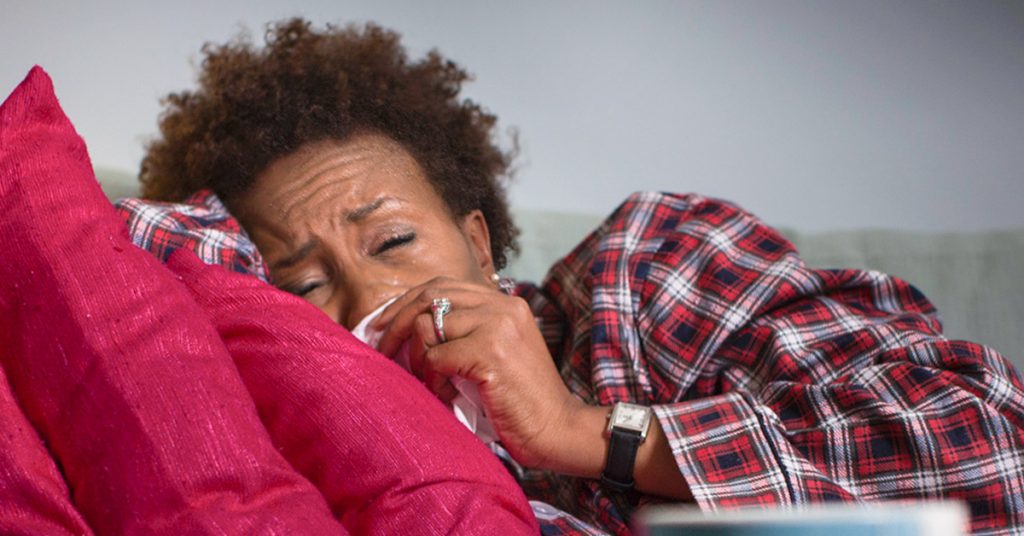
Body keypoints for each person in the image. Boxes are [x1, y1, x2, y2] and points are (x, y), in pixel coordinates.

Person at [133, 18, 1024, 535]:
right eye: (306, 286)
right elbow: (139, 256)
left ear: (479, 243)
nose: (372, 300)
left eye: (394, 241)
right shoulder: (307, 446)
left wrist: (584, 432)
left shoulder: (645, 275)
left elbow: (991, 444)